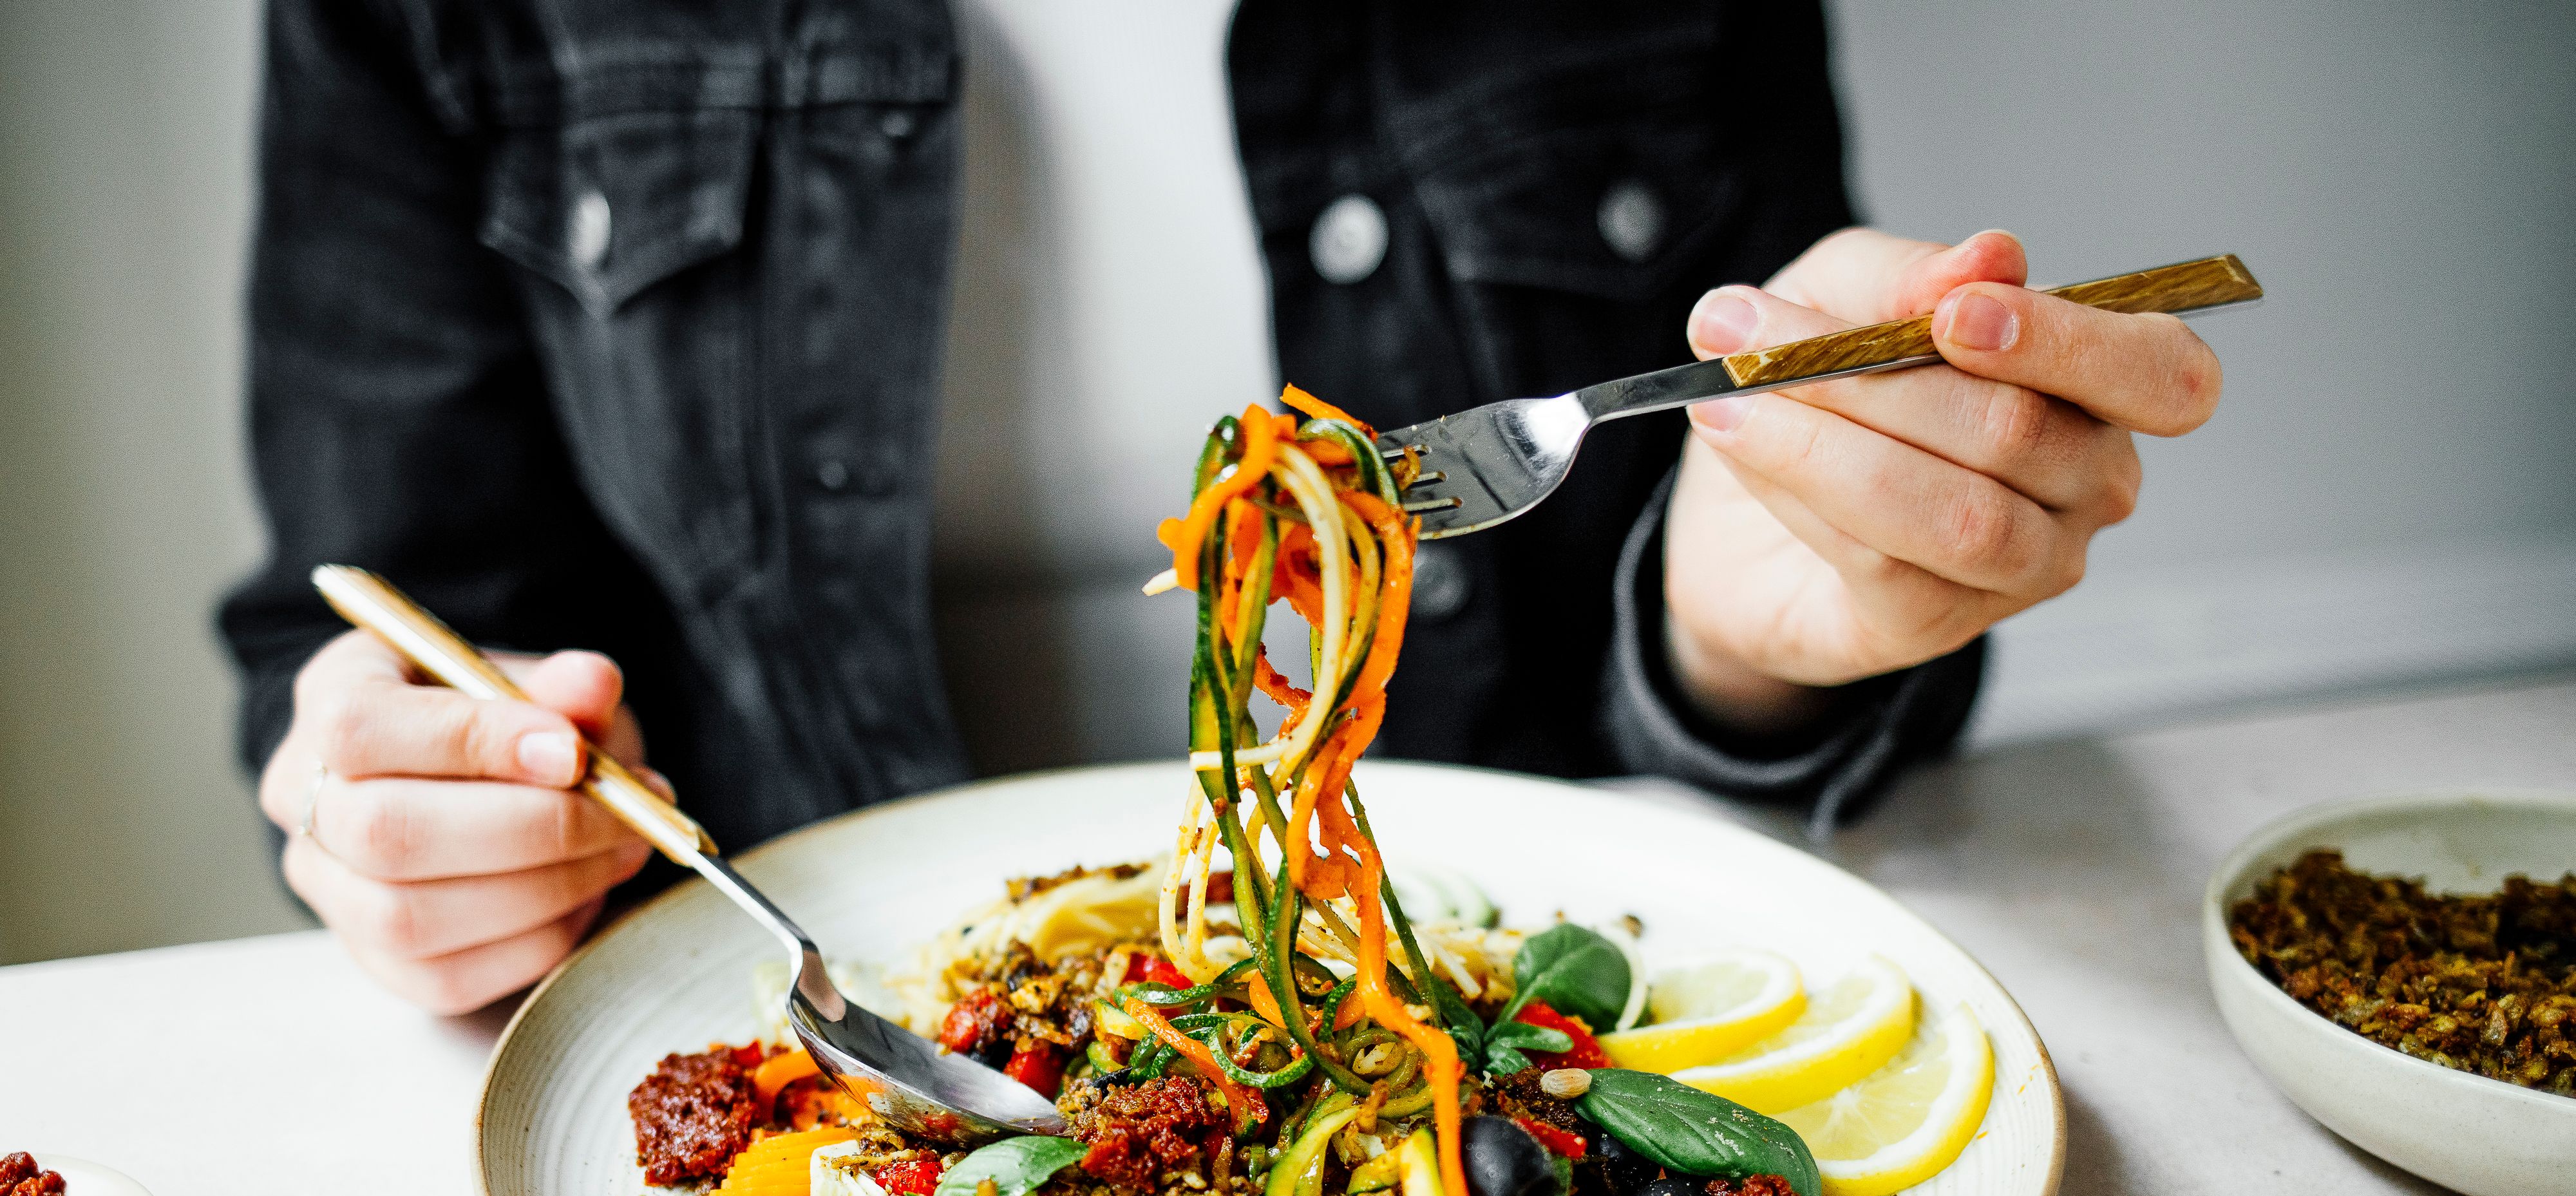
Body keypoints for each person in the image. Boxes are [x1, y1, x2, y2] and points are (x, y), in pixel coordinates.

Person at [219, 1, 2224, 1014]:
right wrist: (446, 802)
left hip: (1516, 974)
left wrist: (1741, 630)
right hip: (781, 1001)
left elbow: (1771, 538)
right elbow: (380, 617)